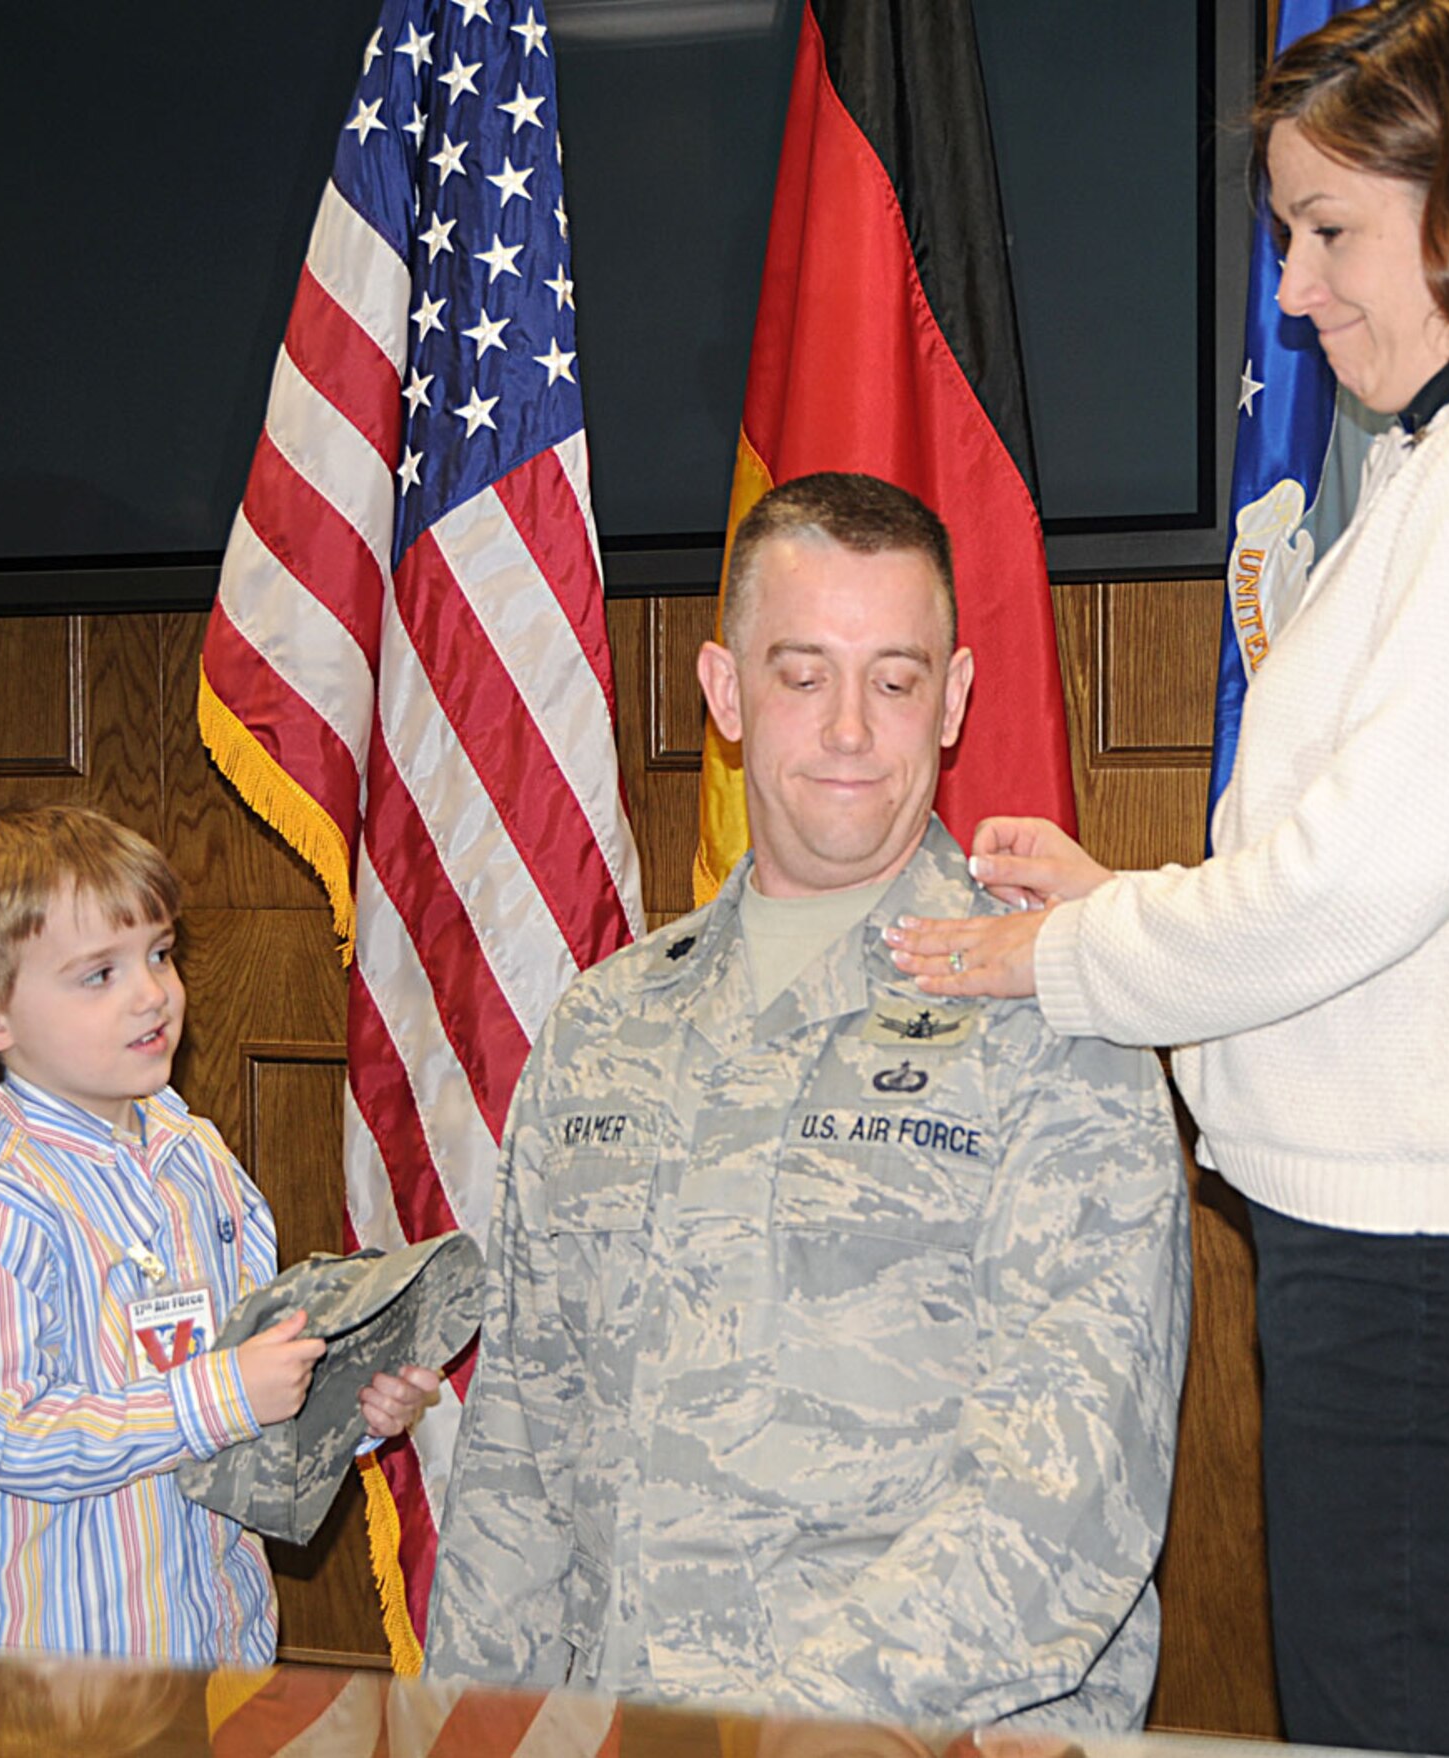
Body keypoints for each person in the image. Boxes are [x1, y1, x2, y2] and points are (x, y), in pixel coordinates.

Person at [887, 4, 1449, 1754]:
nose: (1300, 292)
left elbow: (1349, 888)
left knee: (1410, 1714)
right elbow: (1378, 863)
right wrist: (1124, 898)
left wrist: (1072, 955)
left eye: (1330, 231)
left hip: (1433, 1240)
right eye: (1288, 238)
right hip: (1411, 1224)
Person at [426, 472, 1188, 1732]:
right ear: (725, 691)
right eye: (802, 675)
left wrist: (783, 1730)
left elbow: (1069, 1485)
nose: (847, 729)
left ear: (951, 701)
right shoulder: (605, 1027)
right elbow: (521, 1446)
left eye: (893, 681)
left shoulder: (1051, 1012)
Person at [0, 804, 438, 1664]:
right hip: (58, 1684)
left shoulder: (197, 1160)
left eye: (159, 953)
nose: (153, 993)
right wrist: (220, 1396)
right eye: (97, 974)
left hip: (218, 1648)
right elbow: (3, 1434)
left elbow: (248, 1380)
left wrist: (343, 1406)